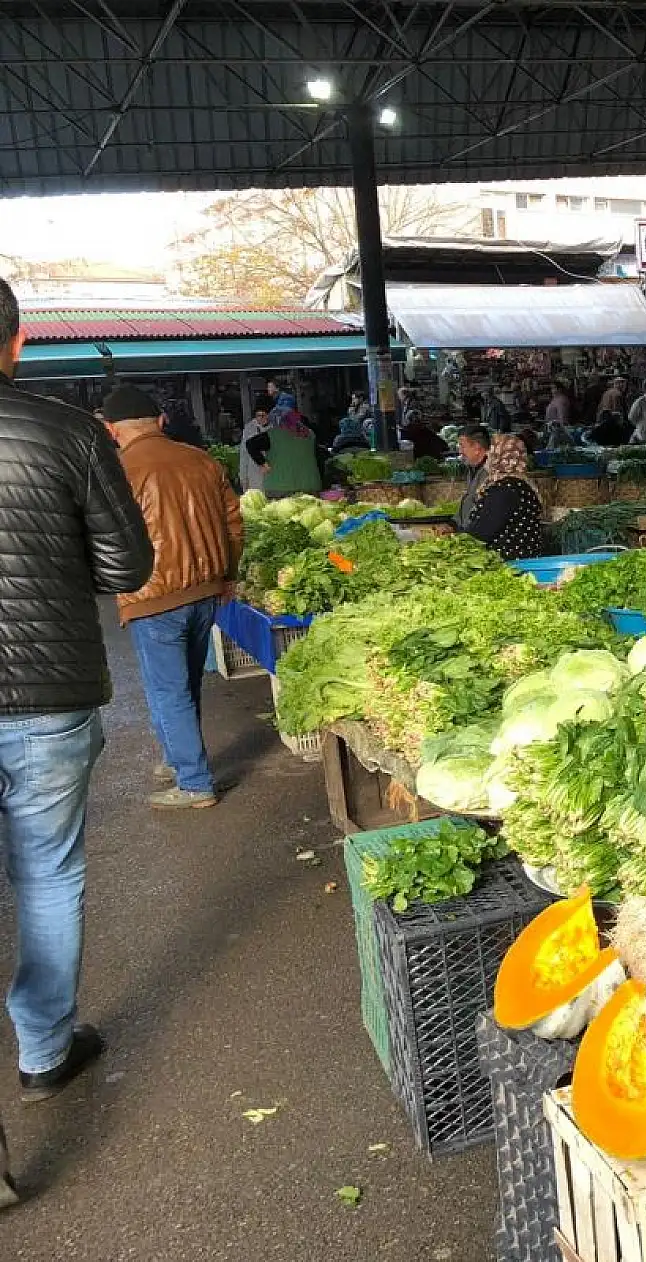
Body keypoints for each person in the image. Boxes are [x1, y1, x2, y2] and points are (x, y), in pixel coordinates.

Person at [0, 283, 152, 1177]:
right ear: (17, 342)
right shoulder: (68, 431)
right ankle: (45, 1051)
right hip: (46, 694)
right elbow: (125, 565)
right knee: (47, 874)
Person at [103, 386, 244, 810]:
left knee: (168, 689)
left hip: (153, 594)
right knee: (183, 683)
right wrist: (228, 576)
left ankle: (195, 782)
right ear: (161, 421)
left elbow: (106, 540)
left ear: (112, 430)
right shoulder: (202, 460)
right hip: (205, 588)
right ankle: (176, 757)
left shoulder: (117, 471)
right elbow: (234, 523)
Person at [462, 434, 546, 561]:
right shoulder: (522, 483)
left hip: (508, 562)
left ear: (499, 457)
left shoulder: (504, 489)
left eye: (491, 452)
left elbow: (482, 531)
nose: (487, 456)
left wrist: (457, 539)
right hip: (526, 558)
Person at [244, 394, 322, 495]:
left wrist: (263, 464)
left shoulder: (274, 434)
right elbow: (319, 457)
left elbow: (250, 444)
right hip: (311, 486)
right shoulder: (310, 434)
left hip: (280, 488)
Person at [453, 425, 492, 530]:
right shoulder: (472, 468)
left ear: (477, 448)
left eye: (462, 446)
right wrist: (453, 524)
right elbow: (469, 501)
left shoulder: (491, 473)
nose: (460, 451)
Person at [238, 407, 269, 493]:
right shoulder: (249, 428)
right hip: (254, 476)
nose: (261, 418)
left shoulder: (274, 428)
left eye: (263, 415)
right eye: (258, 415)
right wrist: (243, 477)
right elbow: (244, 454)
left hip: (272, 477)